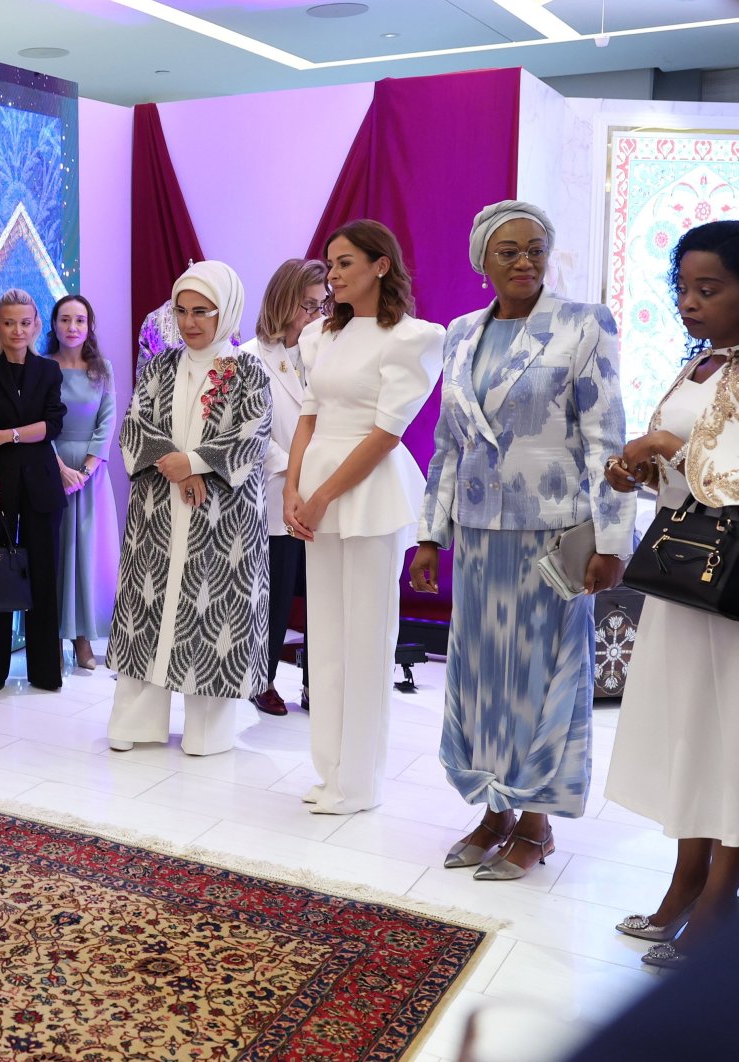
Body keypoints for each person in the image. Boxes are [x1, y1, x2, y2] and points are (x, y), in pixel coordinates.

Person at [409, 201, 630, 880]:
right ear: (483, 260)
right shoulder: (461, 333)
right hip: (478, 532)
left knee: (544, 677)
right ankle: (494, 807)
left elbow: (606, 436)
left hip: (553, 535)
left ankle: (536, 822)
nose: (526, 261)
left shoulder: (582, 325)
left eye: (536, 248)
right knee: (480, 679)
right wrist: (429, 535)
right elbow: (448, 444)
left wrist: (612, 537)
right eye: (509, 251)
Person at [603, 219, 739, 968]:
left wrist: (667, 451)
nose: (689, 302)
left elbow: (730, 477)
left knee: (733, 736)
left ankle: (719, 904)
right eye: (682, 288)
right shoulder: (701, 365)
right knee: (694, 728)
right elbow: (688, 477)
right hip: (685, 576)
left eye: (708, 289)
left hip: (734, 589)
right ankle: (685, 881)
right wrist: (640, 469)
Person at [285, 220, 445, 815]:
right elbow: (306, 416)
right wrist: (295, 489)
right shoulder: (320, 337)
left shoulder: (410, 336)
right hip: (317, 485)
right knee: (326, 636)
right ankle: (329, 770)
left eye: (346, 262)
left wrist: (323, 494)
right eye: (330, 263)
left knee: (367, 638)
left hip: (366, 487)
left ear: (381, 265)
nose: (333, 273)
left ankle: (360, 782)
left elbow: (386, 433)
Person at [106, 262, 271, 755]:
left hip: (221, 518)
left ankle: (209, 733)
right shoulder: (160, 366)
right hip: (157, 511)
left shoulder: (247, 369)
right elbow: (135, 426)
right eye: (181, 311)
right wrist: (175, 464)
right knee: (148, 611)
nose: (190, 322)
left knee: (213, 613)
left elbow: (252, 434)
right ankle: (135, 723)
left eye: (202, 311)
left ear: (227, 312)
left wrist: (196, 463)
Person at [0, 289, 68, 692]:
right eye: (9, 322)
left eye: (25, 322)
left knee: (44, 577)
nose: (17, 330)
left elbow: (51, 426)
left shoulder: (49, 372)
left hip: (41, 486)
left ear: (36, 325)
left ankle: (45, 672)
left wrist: (9, 434)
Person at [240, 259, 328, 716]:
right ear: (282, 302)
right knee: (273, 597)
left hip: (323, 492)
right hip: (275, 494)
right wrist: (294, 470)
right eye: (308, 306)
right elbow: (251, 434)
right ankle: (264, 678)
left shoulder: (325, 352)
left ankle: (318, 683)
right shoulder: (249, 358)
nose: (317, 315)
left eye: (321, 305)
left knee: (322, 594)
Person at [44, 294, 118, 670]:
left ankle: (84, 641)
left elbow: (108, 422)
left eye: (80, 320)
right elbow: (38, 421)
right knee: (54, 557)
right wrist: (58, 468)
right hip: (48, 468)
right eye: (65, 319)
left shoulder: (102, 368)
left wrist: (86, 471)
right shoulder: (41, 367)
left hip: (92, 475)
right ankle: (50, 641)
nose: (72, 327)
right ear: (54, 324)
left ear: (89, 326)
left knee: (87, 558)